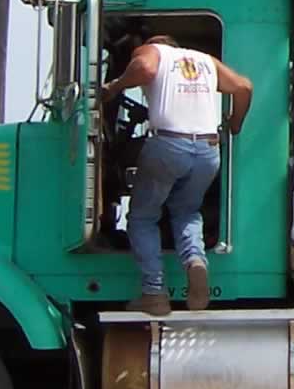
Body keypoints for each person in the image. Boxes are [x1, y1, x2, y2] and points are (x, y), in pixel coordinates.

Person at [99, 33, 252, 316]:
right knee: (187, 211)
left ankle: (154, 294)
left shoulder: (151, 51)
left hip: (168, 146)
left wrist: (115, 86)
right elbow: (243, 87)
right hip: (207, 150)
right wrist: (235, 124)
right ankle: (195, 261)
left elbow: (145, 69)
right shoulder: (206, 62)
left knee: (143, 217)